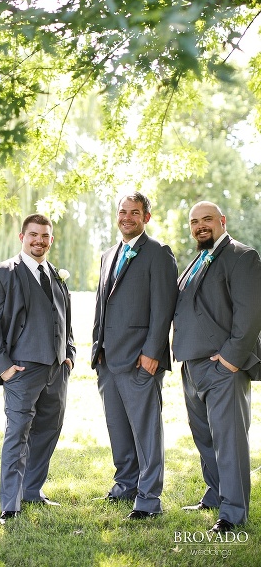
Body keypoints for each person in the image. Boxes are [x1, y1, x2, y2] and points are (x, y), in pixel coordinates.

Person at [173, 201, 261, 533]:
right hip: (192, 365)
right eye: (194, 221)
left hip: (223, 368)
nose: (200, 225)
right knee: (206, 439)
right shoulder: (198, 259)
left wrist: (229, 360)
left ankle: (234, 512)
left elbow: (251, 313)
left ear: (222, 221)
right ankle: (214, 495)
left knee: (229, 440)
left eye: (207, 219)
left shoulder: (242, 256)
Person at [0, 214, 75, 524]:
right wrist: (3, 367)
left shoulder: (56, 275)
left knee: (48, 430)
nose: (39, 240)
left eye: (45, 235)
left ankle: (32, 490)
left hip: (56, 370)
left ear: (51, 239)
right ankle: (10, 503)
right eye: (33, 234)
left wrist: (69, 354)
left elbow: (66, 319)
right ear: (22, 236)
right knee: (17, 434)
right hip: (21, 370)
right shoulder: (1, 274)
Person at [90, 192, 177, 520]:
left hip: (142, 359)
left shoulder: (158, 253)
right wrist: (97, 348)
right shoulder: (108, 254)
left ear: (146, 218)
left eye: (135, 213)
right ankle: (125, 483)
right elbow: (102, 304)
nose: (127, 217)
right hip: (107, 360)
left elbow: (163, 306)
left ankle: (148, 498)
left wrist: (152, 352)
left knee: (146, 431)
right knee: (118, 428)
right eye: (123, 212)